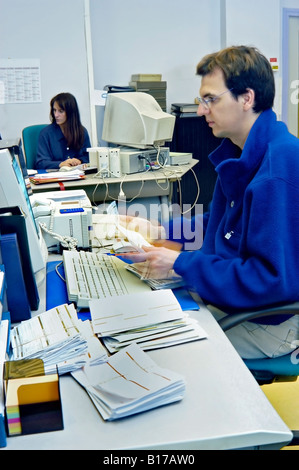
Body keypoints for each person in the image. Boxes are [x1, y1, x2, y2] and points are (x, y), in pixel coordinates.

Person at [121, 45, 299, 360]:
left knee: (164, 351)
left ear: (247, 98)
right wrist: (162, 229)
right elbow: (221, 227)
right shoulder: (242, 153)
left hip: (270, 323)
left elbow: (268, 279)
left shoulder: (276, 169)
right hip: (240, 304)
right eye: (201, 100)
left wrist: (179, 264)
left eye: (210, 100)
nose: (202, 110)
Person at [36, 92, 91, 169]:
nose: (56, 115)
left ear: (70, 113)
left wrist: (79, 161)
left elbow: (88, 157)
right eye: (54, 110)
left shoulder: (82, 131)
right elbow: (41, 163)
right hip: (54, 177)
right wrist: (61, 164)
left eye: (60, 111)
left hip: (77, 176)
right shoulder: (46, 133)